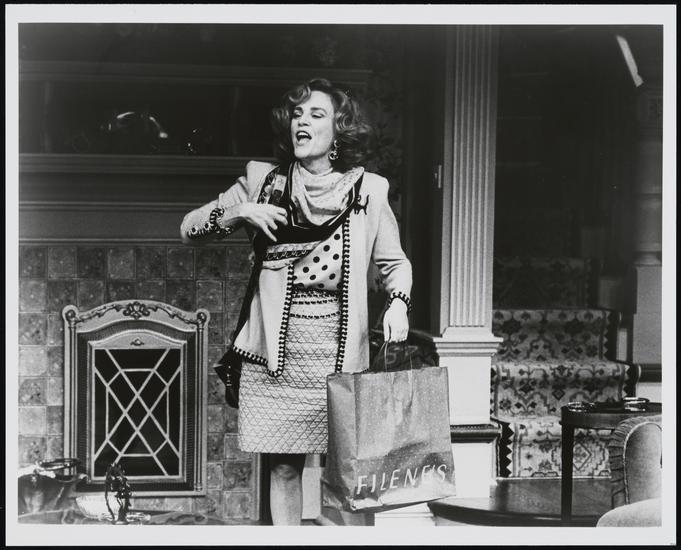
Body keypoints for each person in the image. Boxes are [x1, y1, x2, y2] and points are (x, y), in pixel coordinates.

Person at [181, 78, 412, 525]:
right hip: (276, 353)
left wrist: (399, 302)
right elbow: (190, 229)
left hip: (339, 352)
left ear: (339, 130)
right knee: (284, 468)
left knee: (348, 475)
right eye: (296, 114)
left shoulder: (370, 190)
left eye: (316, 114)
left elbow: (394, 263)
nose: (301, 121)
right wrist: (239, 212)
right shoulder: (262, 180)